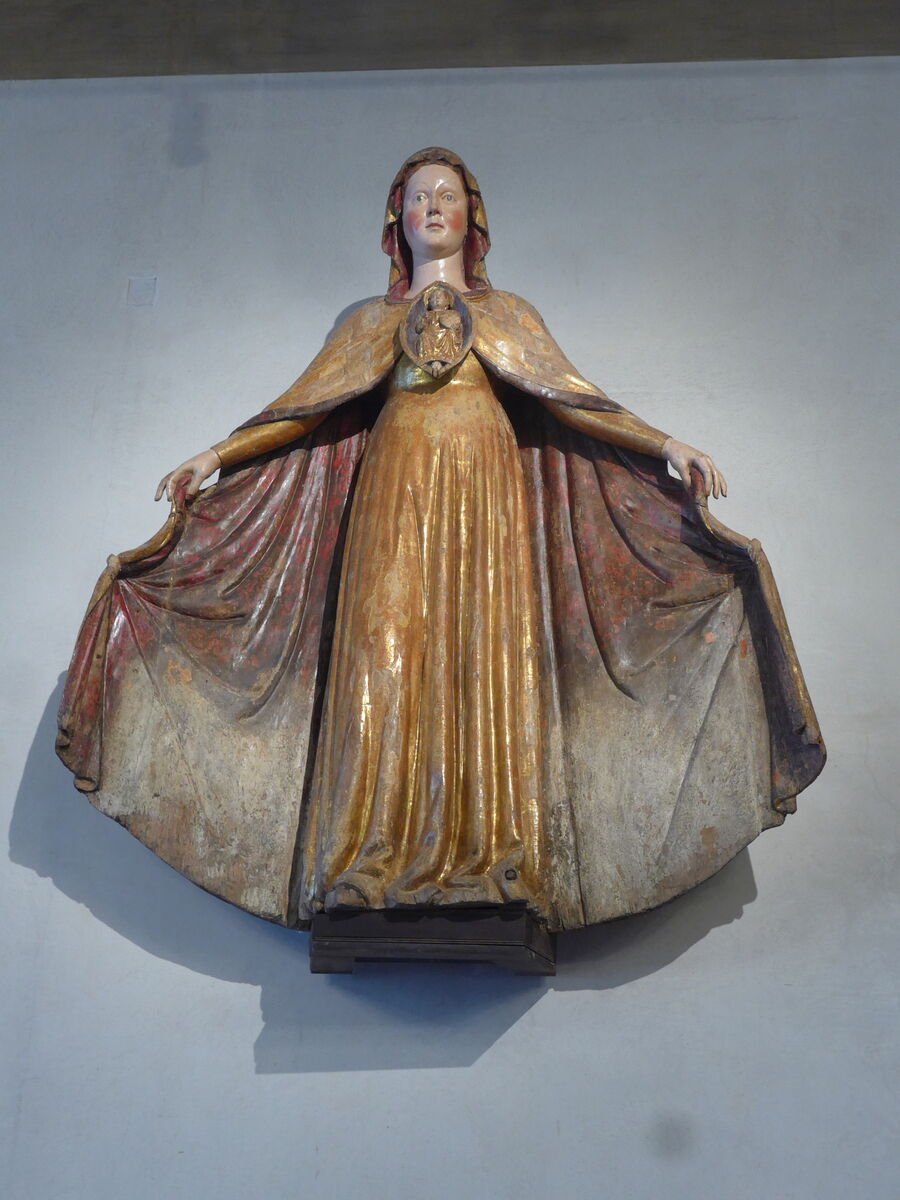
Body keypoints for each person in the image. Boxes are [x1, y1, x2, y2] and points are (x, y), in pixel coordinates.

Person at [57, 147, 824, 934]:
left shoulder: (509, 314)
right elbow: (300, 411)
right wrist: (215, 457)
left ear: (472, 217)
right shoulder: (368, 323)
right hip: (396, 483)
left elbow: (575, 401)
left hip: (484, 490)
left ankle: (497, 858)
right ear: (397, 220)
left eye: (447, 195)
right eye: (418, 196)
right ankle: (365, 860)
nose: (432, 206)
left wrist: (667, 445)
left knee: (483, 654)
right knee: (380, 655)